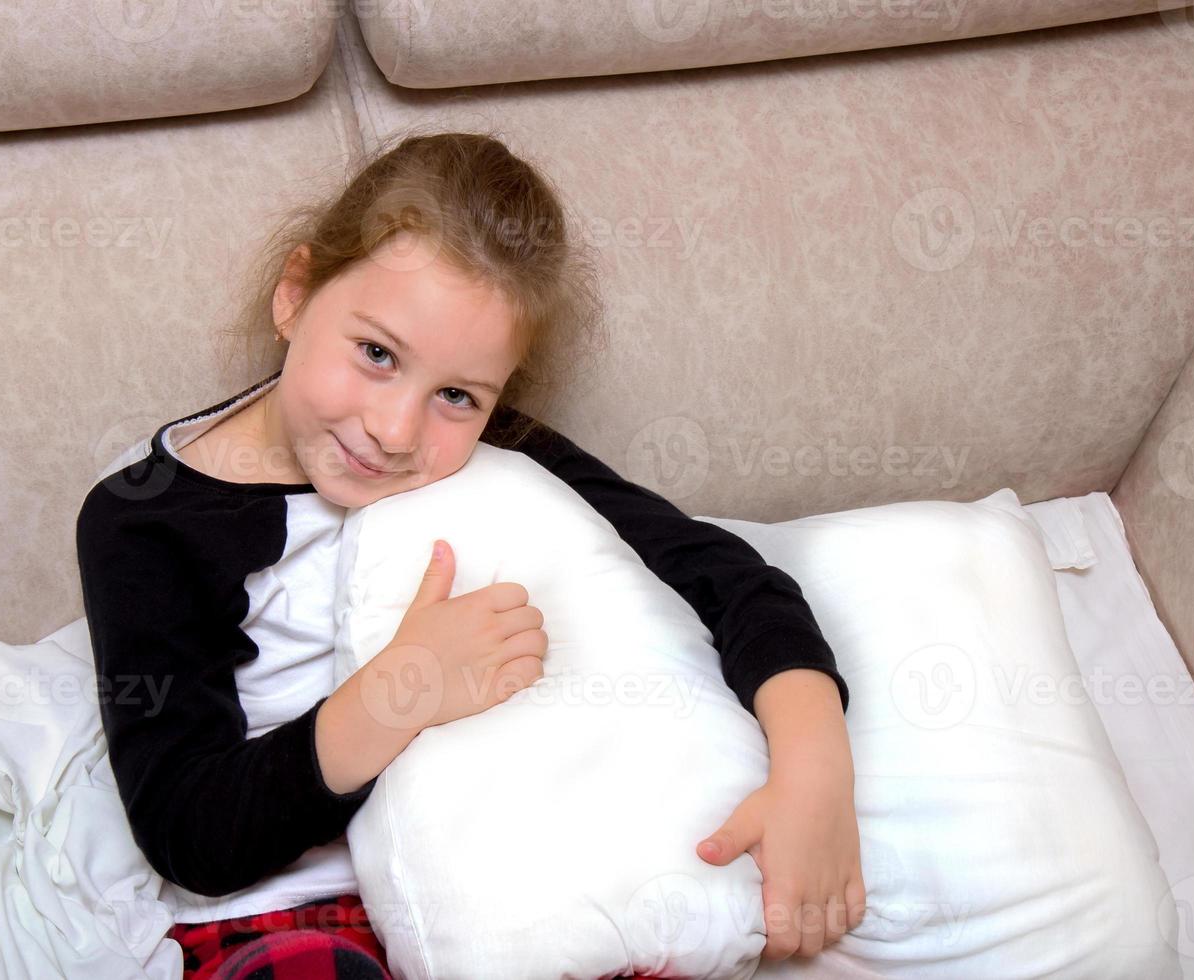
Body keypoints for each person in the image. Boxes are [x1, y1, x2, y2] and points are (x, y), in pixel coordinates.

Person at [76, 130, 864, 980]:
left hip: (512, 874)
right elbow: (188, 829)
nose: (395, 430)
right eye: (376, 354)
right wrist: (401, 690)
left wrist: (817, 777)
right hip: (293, 907)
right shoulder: (146, 522)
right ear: (296, 294)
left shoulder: (497, 456)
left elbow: (728, 577)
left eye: (456, 394)